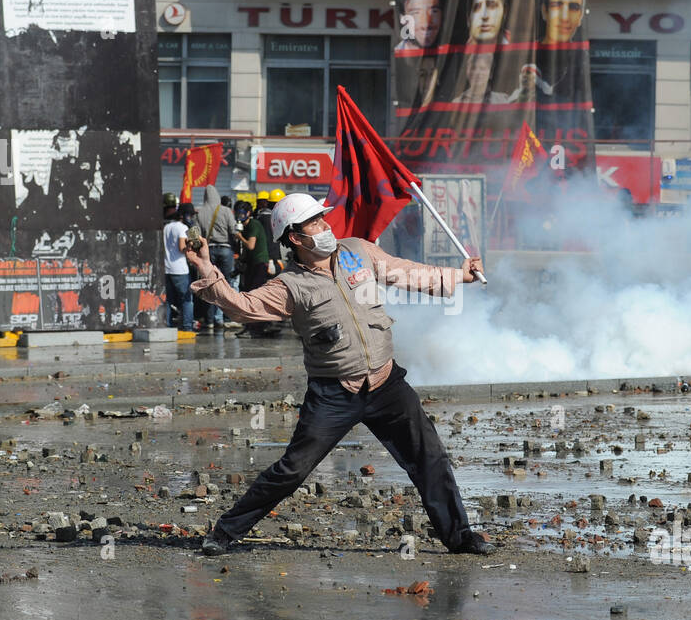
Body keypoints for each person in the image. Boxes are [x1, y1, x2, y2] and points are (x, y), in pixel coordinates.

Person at [188, 192, 493, 557]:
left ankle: (460, 538)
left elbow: (405, 271)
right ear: (295, 238)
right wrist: (208, 271)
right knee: (293, 470)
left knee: (431, 456)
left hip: (386, 383)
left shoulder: (357, 252)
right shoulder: (290, 286)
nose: (325, 226)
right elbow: (245, 307)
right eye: (314, 222)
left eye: (322, 218)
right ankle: (224, 531)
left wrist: (458, 275)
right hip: (334, 394)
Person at [195, 185, 235, 331]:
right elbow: (233, 230)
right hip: (225, 249)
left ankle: (210, 320)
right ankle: (226, 318)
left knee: (210, 285)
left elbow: (197, 235)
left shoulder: (200, 213)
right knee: (226, 285)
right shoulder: (225, 210)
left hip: (209, 251)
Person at [233, 198, 274, 338]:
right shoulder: (245, 226)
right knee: (248, 294)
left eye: (242, 213)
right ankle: (251, 326)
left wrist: (239, 237)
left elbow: (250, 245)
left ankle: (257, 327)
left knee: (255, 296)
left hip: (259, 263)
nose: (239, 216)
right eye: (237, 213)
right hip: (252, 263)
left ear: (248, 213)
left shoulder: (254, 224)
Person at [163, 193, 195, 331]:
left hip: (167, 268)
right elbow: (182, 248)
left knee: (168, 300)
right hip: (180, 269)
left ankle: (168, 324)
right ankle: (187, 326)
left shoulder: (167, 227)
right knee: (187, 299)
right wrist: (191, 245)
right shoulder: (182, 228)